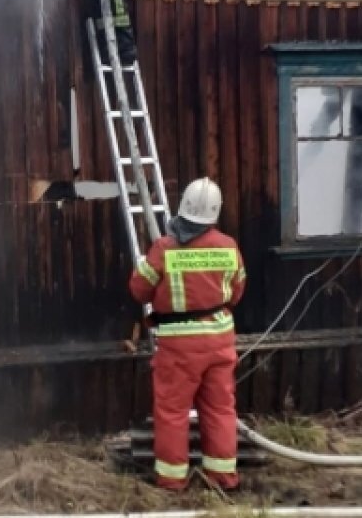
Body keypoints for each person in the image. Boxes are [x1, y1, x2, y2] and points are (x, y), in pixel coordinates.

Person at [128, 177, 246, 492]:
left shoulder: (165, 248)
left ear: (182, 209)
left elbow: (139, 289)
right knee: (221, 408)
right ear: (215, 213)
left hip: (179, 346)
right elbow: (237, 291)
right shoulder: (229, 247)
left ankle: (172, 479)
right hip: (220, 340)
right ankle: (221, 476)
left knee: (172, 411)